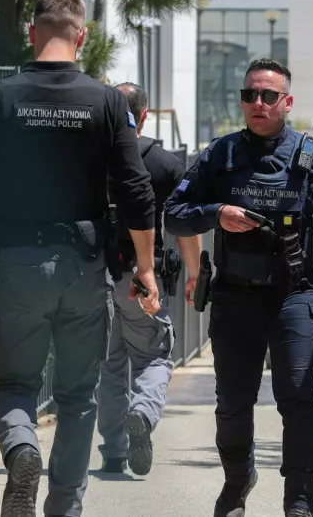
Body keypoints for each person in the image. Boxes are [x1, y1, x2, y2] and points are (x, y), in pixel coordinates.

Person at [0, 0, 159, 517]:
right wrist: (147, 267)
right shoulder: (109, 102)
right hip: (84, 267)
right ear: (81, 35)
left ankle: (21, 452)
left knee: (14, 380)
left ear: (32, 32)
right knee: (78, 394)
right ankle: (64, 507)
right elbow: (136, 189)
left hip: (17, 261)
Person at [163, 58, 313, 517]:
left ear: (287, 102)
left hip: (294, 295)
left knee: (297, 396)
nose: (257, 103)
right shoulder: (221, 154)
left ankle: (298, 501)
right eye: (249, 94)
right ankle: (237, 482)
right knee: (233, 403)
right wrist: (217, 214)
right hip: (235, 297)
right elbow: (174, 213)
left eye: (268, 96)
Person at [96, 82, 203, 476]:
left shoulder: (91, 160)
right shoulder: (164, 164)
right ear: (145, 115)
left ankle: (112, 451)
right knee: (154, 356)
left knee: (109, 365)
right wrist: (194, 273)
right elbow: (186, 225)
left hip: (96, 276)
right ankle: (142, 413)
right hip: (143, 279)